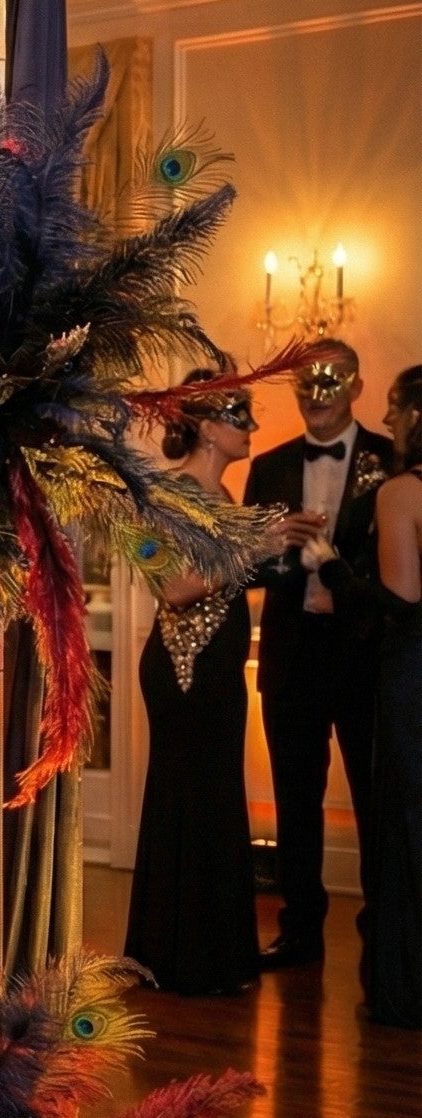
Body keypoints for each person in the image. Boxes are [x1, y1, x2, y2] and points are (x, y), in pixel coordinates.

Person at [125, 377, 311, 995]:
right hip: (184, 669)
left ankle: (214, 953)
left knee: (216, 796)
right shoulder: (167, 494)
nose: (250, 427)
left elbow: (225, 579)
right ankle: (178, 958)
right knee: (189, 795)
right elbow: (173, 586)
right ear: (205, 427)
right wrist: (257, 542)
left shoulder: (222, 493)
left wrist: (284, 550)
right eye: (239, 415)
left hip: (217, 667)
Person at [244, 342, 395, 970]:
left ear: (357, 387)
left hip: (366, 657)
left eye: (330, 382)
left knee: (375, 800)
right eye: (304, 384)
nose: (316, 394)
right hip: (293, 653)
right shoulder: (270, 466)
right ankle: (300, 928)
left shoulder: (393, 460)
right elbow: (250, 564)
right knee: (295, 801)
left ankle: (383, 931)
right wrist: (283, 547)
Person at [356, 365, 422, 1027]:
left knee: (407, 817)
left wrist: (334, 570)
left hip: (413, 667)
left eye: (398, 409)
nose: (391, 419)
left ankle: (406, 989)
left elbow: (402, 597)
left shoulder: (403, 491)